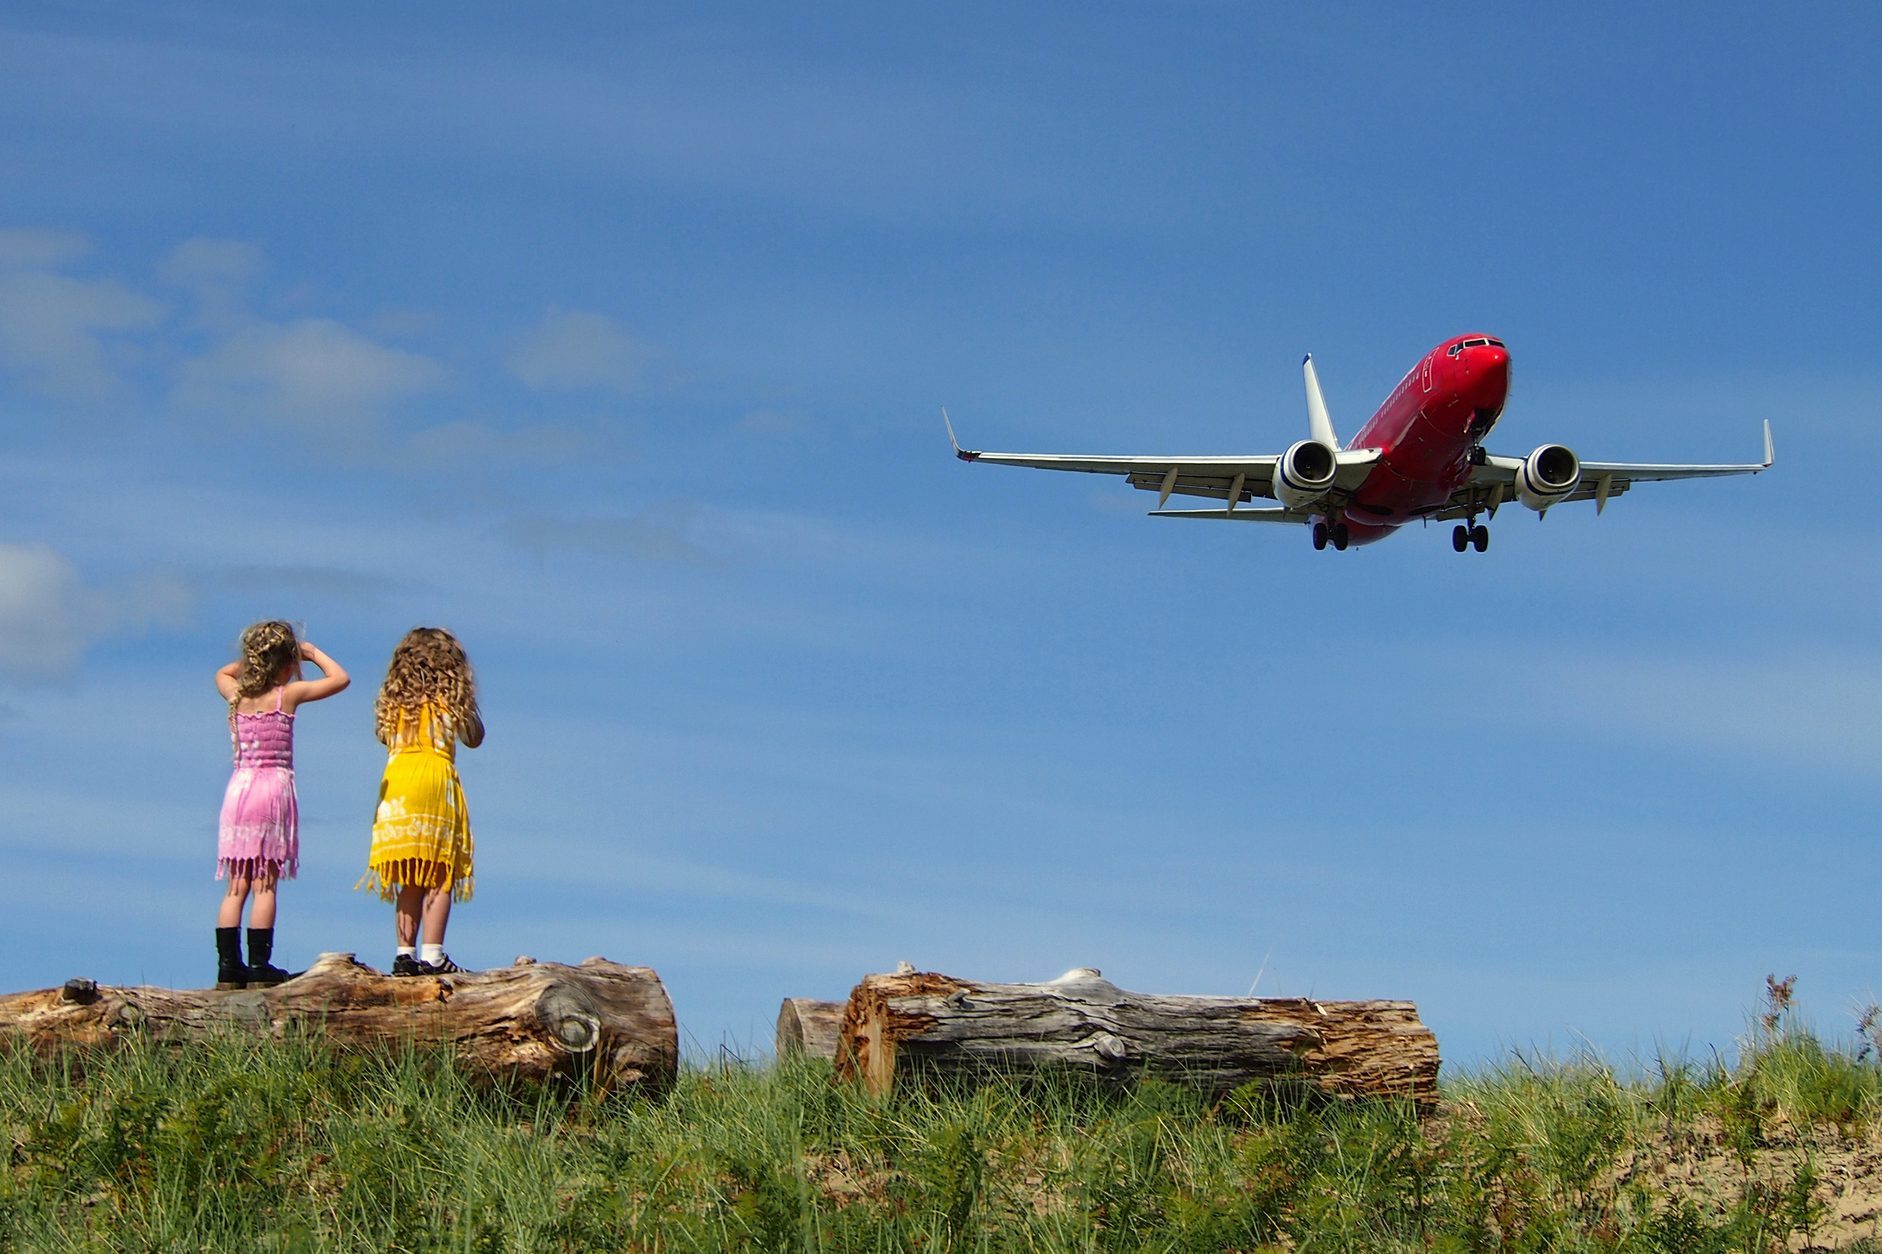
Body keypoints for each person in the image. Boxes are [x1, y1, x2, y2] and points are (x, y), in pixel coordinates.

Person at [213, 621, 349, 989]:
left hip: (239, 791)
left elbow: (223, 671)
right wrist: (311, 652)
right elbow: (340, 678)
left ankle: (228, 967)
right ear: (287, 662)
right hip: (272, 791)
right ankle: (259, 966)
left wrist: (255, 661)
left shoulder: (236, 695)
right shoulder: (286, 696)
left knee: (235, 884)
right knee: (265, 884)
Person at [357, 627, 483, 976]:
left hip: (398, 782)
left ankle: (403, 954)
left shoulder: (397, 705)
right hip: (434, 781)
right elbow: (475, 738)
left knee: (410, 875)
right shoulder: (450, 701)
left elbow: (383, 737)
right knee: (440, 873)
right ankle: (433, 954)